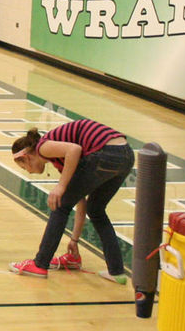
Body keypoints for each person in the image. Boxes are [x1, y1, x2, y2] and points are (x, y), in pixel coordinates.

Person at [8, 119, 135, 283]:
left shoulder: (42, 147)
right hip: (125, 155)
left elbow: (75, 149)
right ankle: (116, 271)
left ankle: (40, 264)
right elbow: (80, 202)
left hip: (106, 152)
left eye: (24, 167)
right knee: (95, 209)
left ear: (26, 157)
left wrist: (61, 187)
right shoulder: (61, 161)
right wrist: (74, 240)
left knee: (59, 204)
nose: (29, 172)